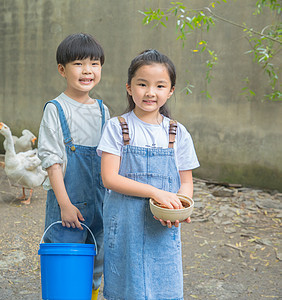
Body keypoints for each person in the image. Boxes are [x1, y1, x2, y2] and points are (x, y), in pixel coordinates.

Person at [97, 49, 200, 299]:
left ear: (170, 91)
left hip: (162, 227)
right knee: (125, 288)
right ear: (129, 87)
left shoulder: (177, 132)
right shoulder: (117, 127)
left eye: (160, 85)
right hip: (124, 227)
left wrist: (180, 207)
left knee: (164, 289)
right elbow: (109, 178)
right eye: (142, 84)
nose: (150, 92)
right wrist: (157, 193)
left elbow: (186, 181)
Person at [38, 33, 110, 299]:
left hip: (101, 206)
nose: (87, 70)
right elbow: (52, 162)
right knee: (66, 266)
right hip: (67, 207)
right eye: (78, 64)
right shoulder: (56, 109)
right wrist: (65, 205)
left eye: (94, 63)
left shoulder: (104, 111)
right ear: (62, 69)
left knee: (97, 267)